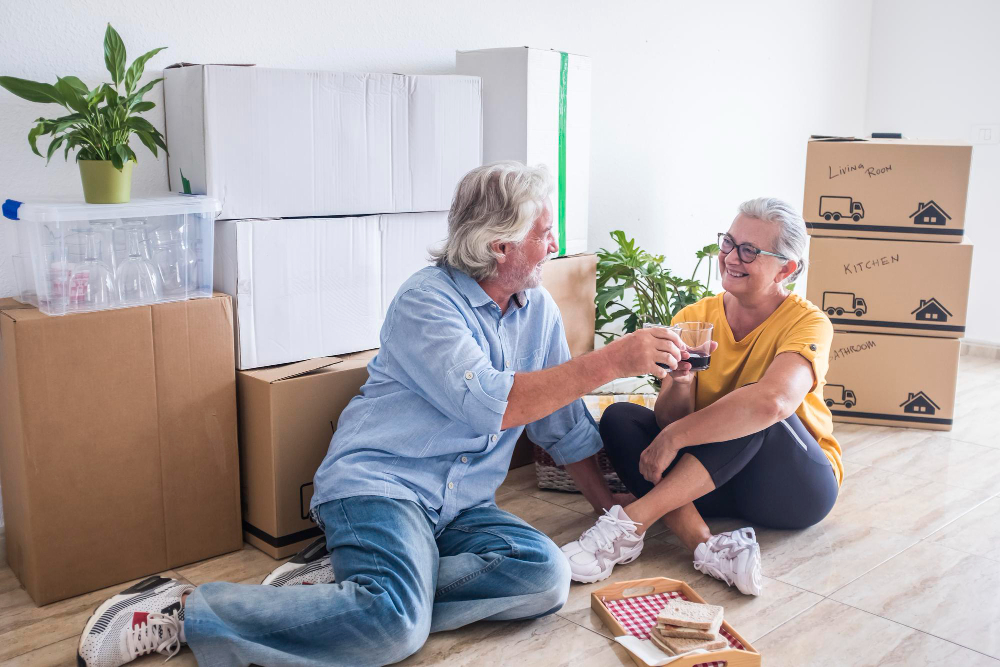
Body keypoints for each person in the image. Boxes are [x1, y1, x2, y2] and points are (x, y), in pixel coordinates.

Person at [77, 162, 688, 667]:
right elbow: (491, 406)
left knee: (545, 576)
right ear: (500, 246)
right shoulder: (427, 301)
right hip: (382, 485)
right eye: (542, 232)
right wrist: (612, 360)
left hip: (462, 505)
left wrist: (609, 513)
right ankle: (185, 610)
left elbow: (560, 425)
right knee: (394, 629)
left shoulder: (538, 309)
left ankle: (346, 593)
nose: (553, 243)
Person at [561, 197, 842, 596]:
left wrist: (675, 438)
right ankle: (706, 546)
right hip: (714, 482)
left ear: (787, 268)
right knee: (621, 418)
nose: (730, 257)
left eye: (749, 251)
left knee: (756, 405)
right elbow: (667, 420)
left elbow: (773, 402)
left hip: (794, 487)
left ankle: (630, 524)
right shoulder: (696, 317)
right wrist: (680, 383)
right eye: (728, 243)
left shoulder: (809, 322)